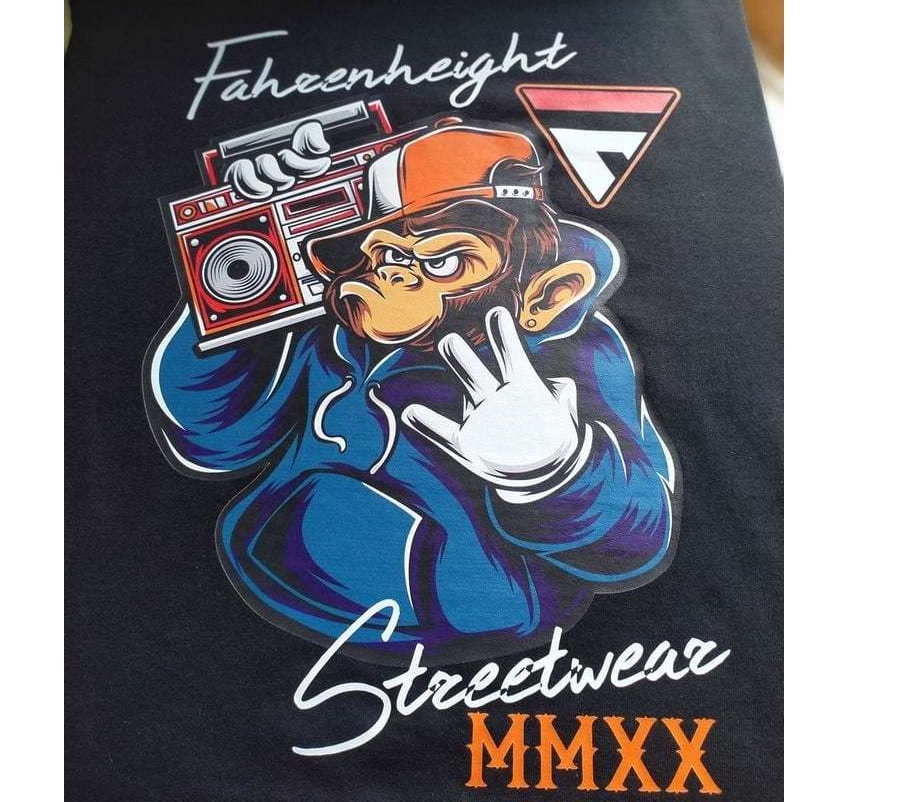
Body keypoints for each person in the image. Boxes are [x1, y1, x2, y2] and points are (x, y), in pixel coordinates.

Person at [144, 117, 679, 664]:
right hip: (271, 581)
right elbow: (212, 438)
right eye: (385, 255)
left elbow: (634, 544)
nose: (392, 276)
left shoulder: (578, 353)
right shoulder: (335, 335)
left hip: (474, 627)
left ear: (546, 294)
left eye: (441, 260)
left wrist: (554, 470)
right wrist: (228, 300)